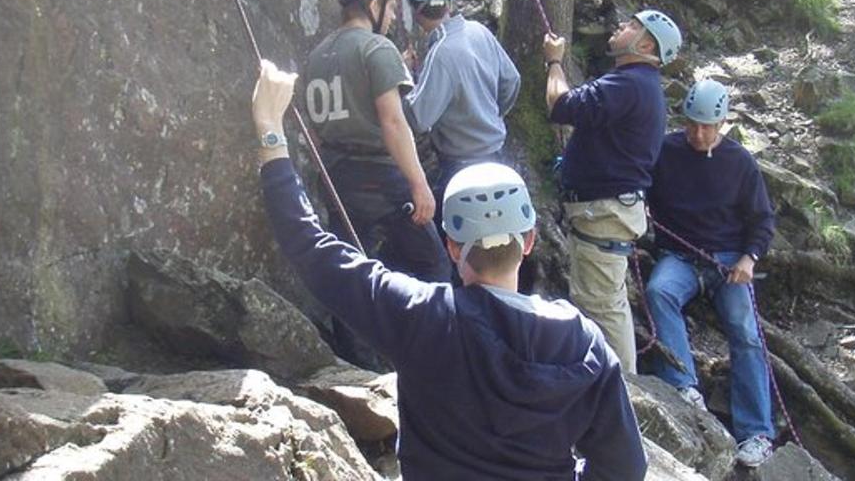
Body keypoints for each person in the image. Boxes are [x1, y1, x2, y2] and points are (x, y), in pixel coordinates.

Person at [252, 60, 648, 481]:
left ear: (453, 246)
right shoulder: (582, 341)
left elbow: (311, 248)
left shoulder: (420, 314)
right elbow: (625, 468)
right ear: (529, 241)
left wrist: (270, 129)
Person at [644, 78, 777, 468]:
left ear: (722, 124)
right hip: (681, 256)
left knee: (747, 333)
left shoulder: (740, 163)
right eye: (691, 124)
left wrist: (749, 259)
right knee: (659, 292)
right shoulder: (666, 151)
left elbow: (762, 220)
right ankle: (683, 385)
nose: (698, 134)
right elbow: (639, 183)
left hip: (728, 261)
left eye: (707, 126)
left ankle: (756, 431)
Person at [543, 10, 682, 374]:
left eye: (632, 26)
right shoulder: (635, 84)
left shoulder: (632, 84)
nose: (621, 26)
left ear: (647, 44)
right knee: (605, 302)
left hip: (603, 213)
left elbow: (560, 106)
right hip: (608, 211)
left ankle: (626, 392)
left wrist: (555, 62)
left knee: (601, 305)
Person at [302, 0, 449, 285]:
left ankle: (351, 336)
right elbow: (394, 122)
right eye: (392, 7)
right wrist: (419, 184)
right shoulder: (377, 48)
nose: (394, 15)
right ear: (373, 4)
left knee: (351, 270)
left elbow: (314, 132)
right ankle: (434, 334)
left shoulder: (317, 56)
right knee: (435, 265)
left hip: (336, 174)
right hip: (381, 177)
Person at [400, 0, 521, 224]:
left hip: (461, 166)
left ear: (414, 9)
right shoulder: (479, 31)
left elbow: (419, 117)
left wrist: (403, 79)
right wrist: (490, 114)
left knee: (461, 240)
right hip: (496, 154)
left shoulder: (442, 52)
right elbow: (511, 81)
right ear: (448, 2)